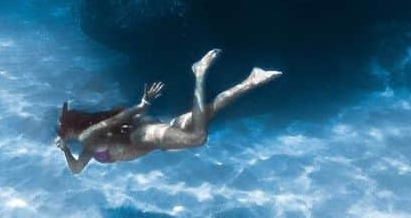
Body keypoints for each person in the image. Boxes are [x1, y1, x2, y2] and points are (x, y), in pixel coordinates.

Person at [55, 49, 281, 174]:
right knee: (208, 110)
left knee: (197, 138)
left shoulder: (89, 136)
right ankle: (251, 80)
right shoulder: (87, 145)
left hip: (143, 135)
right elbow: (76, 169)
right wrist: (65, 150)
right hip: (152, 139)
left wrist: (142, 105)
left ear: (72, 128)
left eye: (62, 130)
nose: (60, 134)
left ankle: (199, 72)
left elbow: (121, 118)